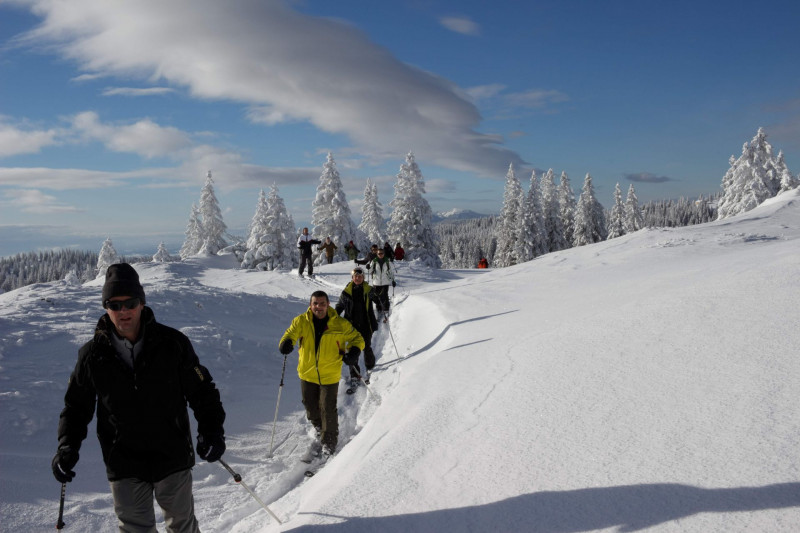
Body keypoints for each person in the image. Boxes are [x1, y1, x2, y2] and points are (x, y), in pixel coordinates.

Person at [52, 263, 226, 532]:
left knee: (182, 526)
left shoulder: (173, 344)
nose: (123, 312)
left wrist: (212, 431)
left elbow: (202, 391)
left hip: (172, 455)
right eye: (114, 304)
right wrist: (67, 446)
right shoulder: (91, 355)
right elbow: (76, 407)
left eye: (130, 303)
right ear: (106, 307)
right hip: (123, 460)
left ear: (141, 304)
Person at [278, 290, 364, 456]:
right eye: (315, 303)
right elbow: (290, 334)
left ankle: (329, 442)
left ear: (328, 305)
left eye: (322, 303)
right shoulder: (301, 321)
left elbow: (357, 338)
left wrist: (354, 351)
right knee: (310, 407)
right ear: (310, 305)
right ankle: (319, 427)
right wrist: (286, 342)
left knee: (327, 408)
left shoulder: (339, 323)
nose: (319, 307)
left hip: (329, 374)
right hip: (307, 373)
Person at [335, 267, 379, 387]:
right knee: (352, 350)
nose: (358, 278)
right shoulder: (346, 292)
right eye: (355, 277)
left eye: (360, 276)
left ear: (363, 277)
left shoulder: (368, 289)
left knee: (367, 347)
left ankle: (370, 367)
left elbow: (377, 299)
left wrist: (378, 299)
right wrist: (334, 315)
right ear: (352, 278)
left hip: (366, 324)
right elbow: (340, 305)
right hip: (351, 326)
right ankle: (354, 374)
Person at [368, 247, 396, 320]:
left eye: (382, 253)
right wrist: (368, 267)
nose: (380, 254)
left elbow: (390, 272)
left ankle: (386, 309)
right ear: (377, 254)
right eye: (379, 253)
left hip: (385, 282)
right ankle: (379, 308)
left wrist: (393, 280)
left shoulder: (387, 262)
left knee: (384, 295)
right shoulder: (374, 261)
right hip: (376, 282)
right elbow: (370, 270)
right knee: (377, 296)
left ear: (384, 253)